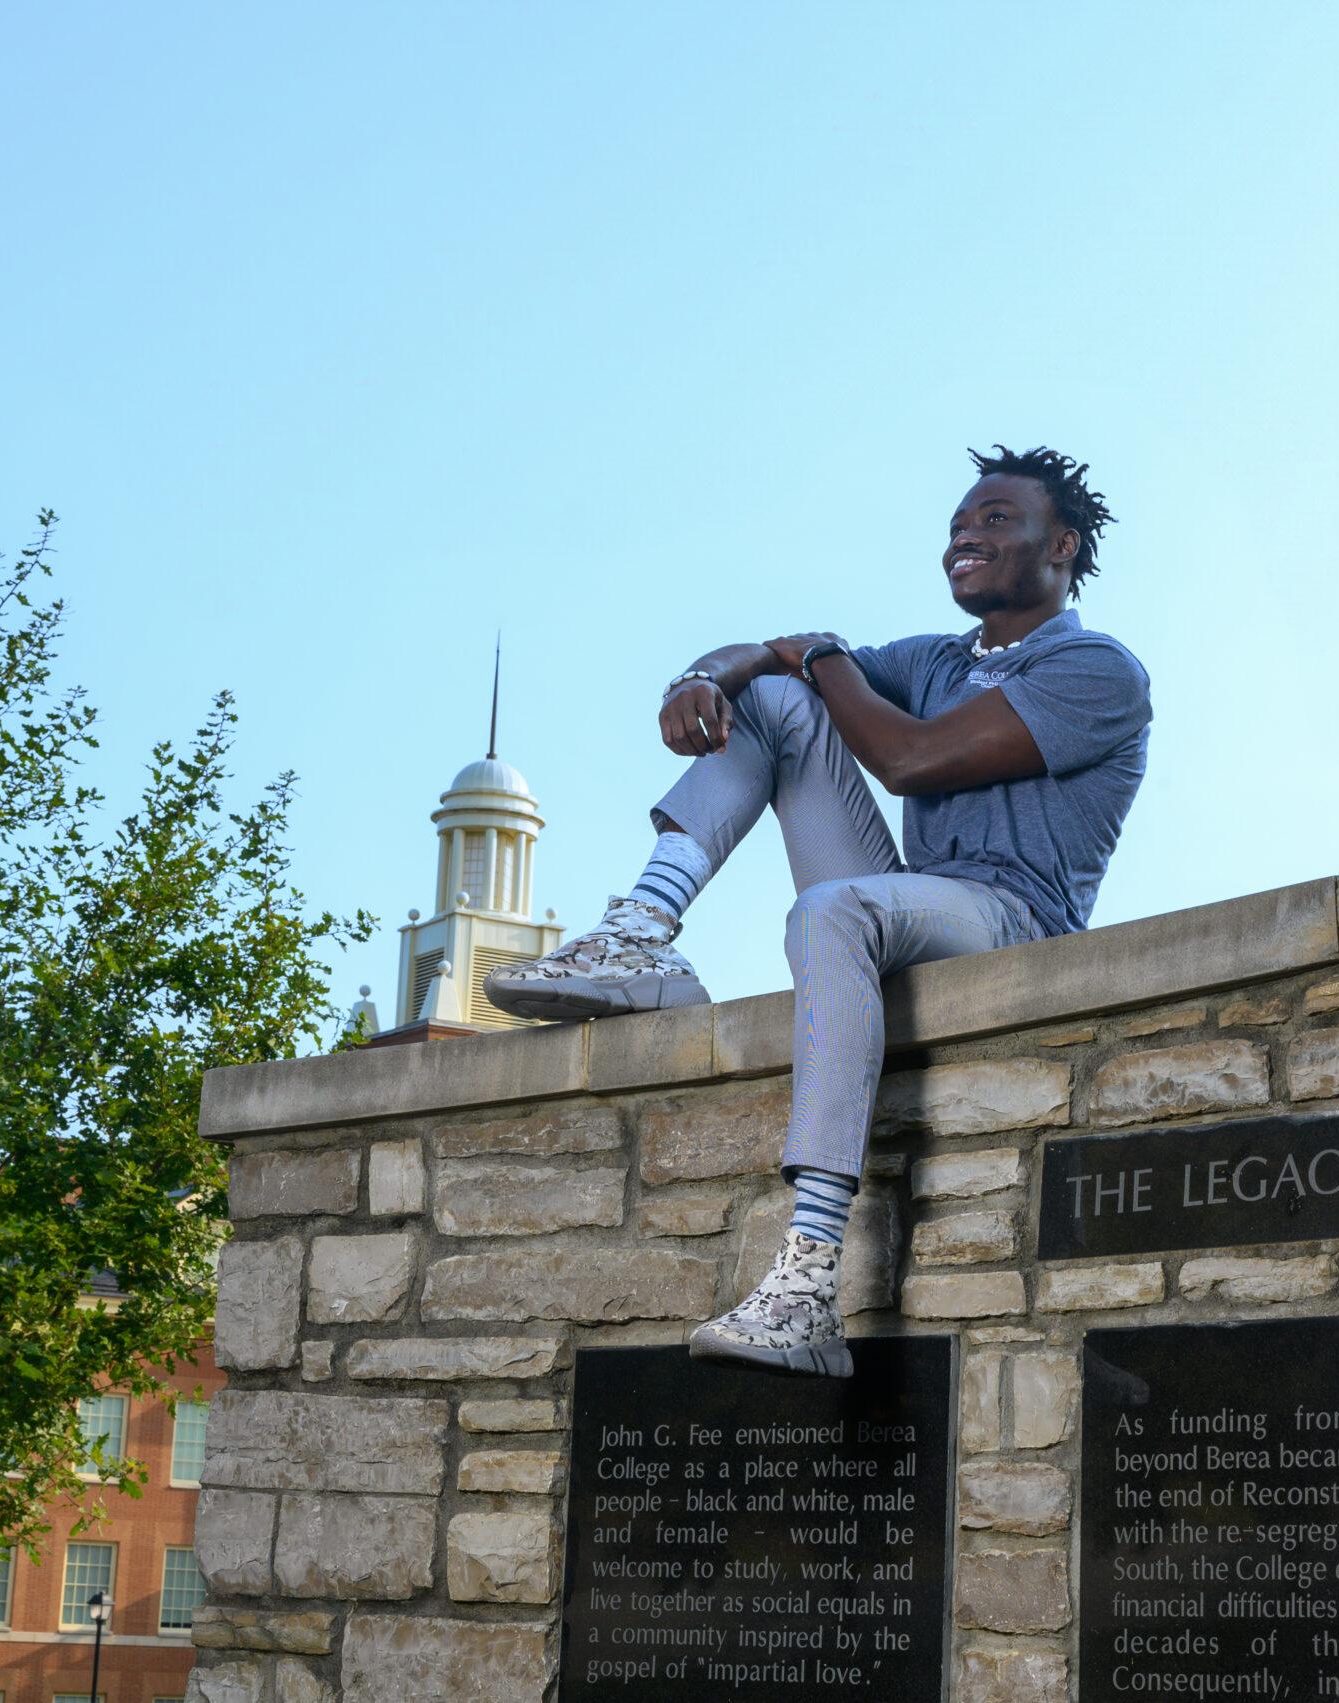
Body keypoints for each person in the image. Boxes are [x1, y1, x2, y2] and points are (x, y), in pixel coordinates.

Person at [487, 445, 1151, 1376]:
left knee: (830, 910)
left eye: (997, 518)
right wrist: (706, 675)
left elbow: (909, 760)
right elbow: (774, 660)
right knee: (769, 699)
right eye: (959, 521)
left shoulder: (1098, 670)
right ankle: (644, 927)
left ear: (1064, 545)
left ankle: (806, 1283)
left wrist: (822, 652)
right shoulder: (934, 658)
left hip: (1013, 921)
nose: (967, 533)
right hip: (916, 900)